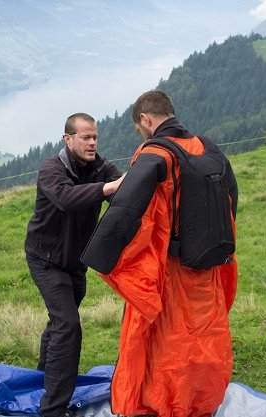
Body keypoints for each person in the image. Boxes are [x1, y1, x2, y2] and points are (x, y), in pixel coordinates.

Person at [81, 90, 238, 417]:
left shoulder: (155, 154)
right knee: (203, 338)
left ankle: (160, 406)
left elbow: (128, 207)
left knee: (165, 344)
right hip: (206, 270)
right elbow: (230, 202)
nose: (141, 132)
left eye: (140, 127)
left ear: (146, 119)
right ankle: (199, 402)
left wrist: (102, 255)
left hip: (169, 272)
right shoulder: (209, 149)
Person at [25, 113, 124, 417]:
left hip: (75, 263)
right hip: (46, 261)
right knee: (68, 326)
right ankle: (53, 410)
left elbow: (124, 186)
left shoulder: (99, 167)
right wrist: (109, 187)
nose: (92, 142)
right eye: (85, 137)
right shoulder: (51, 170)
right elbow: (67, 198)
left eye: (95, 137)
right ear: (68, 139)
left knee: (60, 322)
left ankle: (43, 377)